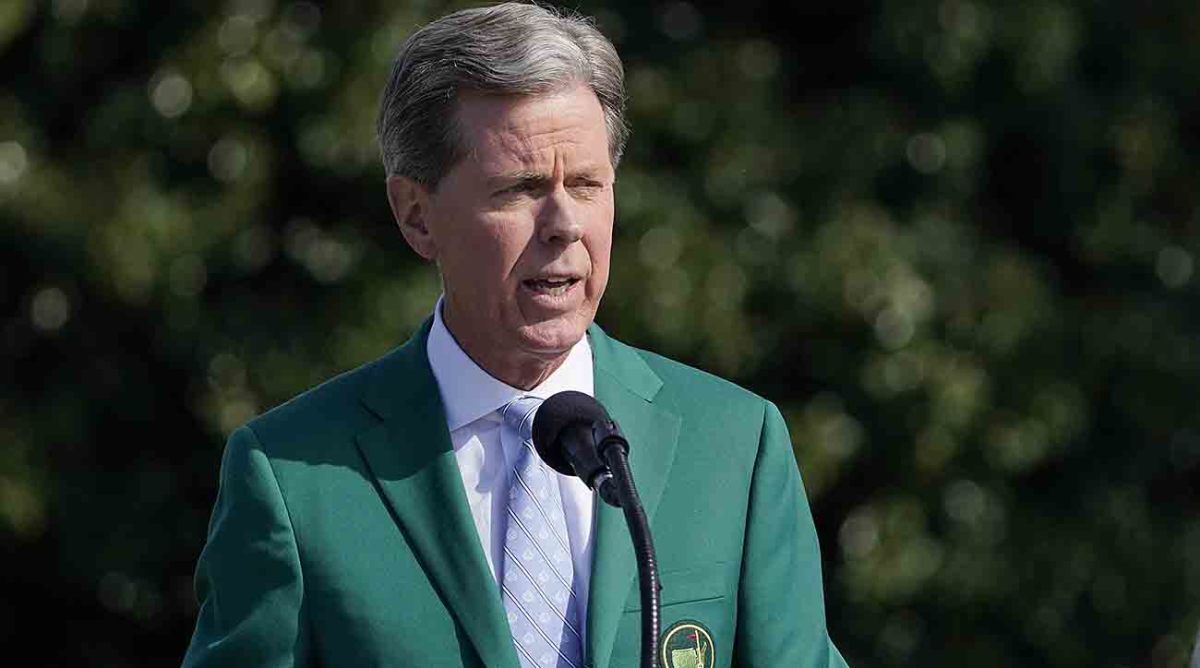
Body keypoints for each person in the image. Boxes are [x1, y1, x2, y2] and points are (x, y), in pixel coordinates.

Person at [181, 3, 848, 667]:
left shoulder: (735, 444)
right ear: (416, 216)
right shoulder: (295, 477)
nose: (564, 224)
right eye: (521, 189)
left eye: (587, 185)